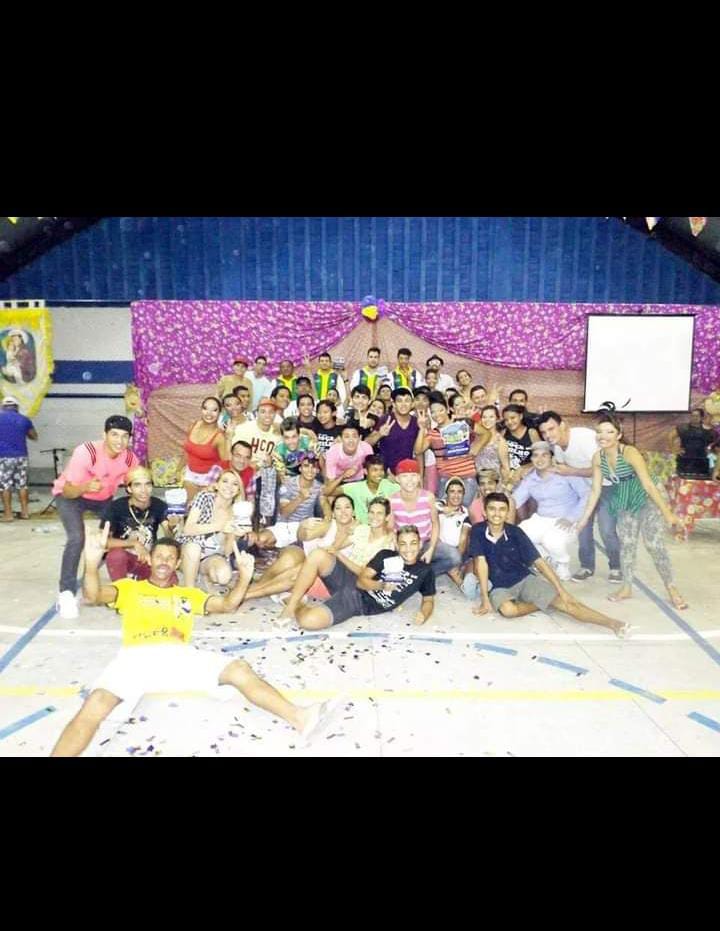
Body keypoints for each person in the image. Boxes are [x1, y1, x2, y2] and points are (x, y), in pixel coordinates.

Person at [49, 529, 337, 756]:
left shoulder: (189, 595)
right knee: (96, 703)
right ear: (150, 559)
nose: (163, 562)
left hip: (179, 655)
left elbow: (227, 605)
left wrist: (244, 579)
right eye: (158, 556)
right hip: (136, 655)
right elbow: (93, 595)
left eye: (169, 558)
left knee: (239, 669)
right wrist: (90, 563)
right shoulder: (130, 589)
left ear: (177, 563)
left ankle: (300, 717)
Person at [468, 493, 629, 637]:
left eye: (502, 509)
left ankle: (613, 623)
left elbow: (539, 562)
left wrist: (561, 590)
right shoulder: (477, 531)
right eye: (492, 509)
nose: (497, 513)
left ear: (508, 512)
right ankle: (542, 603)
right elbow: (481, 564)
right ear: (485, 512)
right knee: (508, 611)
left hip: (524, 579)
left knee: (568, 603)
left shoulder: (516, 533)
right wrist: (485, 599)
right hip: (499, 586)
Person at [576, 412, 687, 611]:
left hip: (648, 497)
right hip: (626, 498)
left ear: (619, 435)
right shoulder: (598, 458)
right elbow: (595, 490)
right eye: (600, 432)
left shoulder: (629, 452)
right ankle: (626, 587)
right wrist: (583, 520)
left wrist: (668, 513)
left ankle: (672, 588)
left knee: (654, 545)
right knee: (627, 544)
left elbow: (648, 485)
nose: (603, 436)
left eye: (609, 432)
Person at [51, 415, 139, 620]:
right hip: (72, 495)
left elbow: (137, 483)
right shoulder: (86, 452)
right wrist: (85, 487)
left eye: (125, 436)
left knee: (112, 537)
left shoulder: (130, 459)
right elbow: (68, 491)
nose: (119, 441)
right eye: (114, 435)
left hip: (103, 500)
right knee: (77, 538)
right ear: (104, 435)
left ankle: (90, 575)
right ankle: (66, 593)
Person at [279, 524, 436, 630]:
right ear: (397, 545)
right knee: (318, 555)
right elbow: (361, 581)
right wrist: (382, 586)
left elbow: (428, 599)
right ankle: (291, 606)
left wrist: (424, 614)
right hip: (352, 582)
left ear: (420, 544)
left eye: (413, 543)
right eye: (403, 544)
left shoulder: (425, 570)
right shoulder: (386, 555)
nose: (408, 549)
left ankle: (299, 604)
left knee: (308, 621)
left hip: (359, 602)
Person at [274, 496, 397, 625]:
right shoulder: (362, 529)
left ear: (387, 517)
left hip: (359, 586)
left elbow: (365, 574)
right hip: (344, 574)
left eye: (379, 513)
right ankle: (290, 607)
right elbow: (335, 548)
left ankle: (294, 602)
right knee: (317, 555)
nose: (374, 516)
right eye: (371, 512)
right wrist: (341, 535)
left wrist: (338, 555)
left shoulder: (388, 543)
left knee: (308, 618)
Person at [537, 411, 621, 583]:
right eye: (544, 432)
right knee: (582, 530)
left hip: (609, 486)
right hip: (586, 490)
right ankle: (587, 566)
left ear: (562, 425)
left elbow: (602, 468)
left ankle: (616, 567)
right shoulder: (557, 448)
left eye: (551, 429)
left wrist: (571, 471)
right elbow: (565, 473)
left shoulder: (584, 439)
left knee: (606, 529)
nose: (548, 435)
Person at [508, 442, 590, 581]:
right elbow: (515, 500)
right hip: (542, 518)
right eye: (535, 456)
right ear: (531, 459)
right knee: (518, 535)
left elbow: (586, 495)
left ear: (551, 457)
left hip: (566, 519)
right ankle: (546, 559)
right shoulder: (530, 478)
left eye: (544, 455)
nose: (539, 459)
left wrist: (571, 517)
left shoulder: (565, 473)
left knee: (551, 540)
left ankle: (562, 564)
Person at [100, 466, 177, 582]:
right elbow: (104, 541)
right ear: (129, 488)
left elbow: (169, 537)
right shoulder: (116, 507)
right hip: (125, 557)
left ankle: (143, 582)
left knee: (172, 580)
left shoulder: (159, 505)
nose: (144, 490)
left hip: (148, 558)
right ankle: (121, 589)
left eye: (148, 484)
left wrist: (171, 526)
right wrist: (134, 543)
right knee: (116, 555)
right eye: (137, 485)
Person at [388, 459, 461, 580]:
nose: (410, 480)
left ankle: (418, 576)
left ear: (419, 477)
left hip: (424, 543)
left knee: (454, 556)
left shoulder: (428, 497)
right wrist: (399, 548)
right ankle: (415, 573)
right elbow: (390, 529)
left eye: (413, 476)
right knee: (388, 565)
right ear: (397, 479)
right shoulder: (392, 500)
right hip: (403, 545)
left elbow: (435, 523)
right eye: (405, 476)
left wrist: (431, 549)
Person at [177, 470, 248, 588]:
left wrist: (234, 535)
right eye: (225, 481)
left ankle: (201, 575)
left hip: (211, 556)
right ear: (217, 485)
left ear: (238, 490)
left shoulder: (237, 512)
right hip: (188, 549)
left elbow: (227, 551)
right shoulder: (204, 497)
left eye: (235, 484)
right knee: (194, 548)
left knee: (223, 576)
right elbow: (188, 529)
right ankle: (189, 589)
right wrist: (221, 526)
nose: (229, 486)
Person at [256, 452, 326, 549]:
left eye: (313, 467)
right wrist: (300, 498)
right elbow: (284, 512)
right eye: (306, 466)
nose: (310, 470)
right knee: (261, 539)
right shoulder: (288, 483)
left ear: (317, 470)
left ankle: (292, 548)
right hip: (284, 526)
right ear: (300, 468)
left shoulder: (319, 487)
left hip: (305, 527)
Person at [420, 397, 482, 506]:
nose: (437, 414)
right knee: (442, 509)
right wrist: (421, 428)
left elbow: (486, 434)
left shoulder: (463, 423)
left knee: (465, 510)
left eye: (440, 410)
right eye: (433, 412)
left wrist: (477, 447)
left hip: (467, 476)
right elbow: (418, 450)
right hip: (445, 478)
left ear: (448, 409)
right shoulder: (433, 433)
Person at [368, 387, 424, 477]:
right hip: (386, 474)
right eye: (399, 401)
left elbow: (419, 453)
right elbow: (367, 443)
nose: (403, 404)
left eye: (407, 401)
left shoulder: (417, 422)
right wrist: (379, 434)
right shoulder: (385, 419)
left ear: (412, 404)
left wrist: (420, 476)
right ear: (393, 404)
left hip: (408, 475)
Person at [0, 395, 37, 522]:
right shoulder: (24, 419)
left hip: (4, 457)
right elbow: (34, 436)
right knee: (22, 485)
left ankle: (8, 514)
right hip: (22, 456)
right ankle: (25, 513)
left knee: (5, 486)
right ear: (16, 407)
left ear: (3, 407)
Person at [182, 397, 225, 504]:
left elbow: (226, 464)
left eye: (214, 410)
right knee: (189, 508)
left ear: (220, 413)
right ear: (201, 410)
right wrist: (177, 471)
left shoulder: (219, 437)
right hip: (190, 476)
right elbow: (186, 451)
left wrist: (217, 484)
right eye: (206, 409)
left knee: (204, 510)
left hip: (209, 480)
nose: (209, 413)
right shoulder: (193, 425)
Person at [342, 454, 400, 523]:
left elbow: (409, 490)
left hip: (383, 527)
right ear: (365, 471)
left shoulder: (388, 484)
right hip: (363, 527)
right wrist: (342, 477)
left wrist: (397, 480)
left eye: (381, 470)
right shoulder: (355, 488)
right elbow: (330, 491)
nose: (379, 473)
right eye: (375, 470)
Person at [436, 477, 472, 588]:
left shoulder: (465, 512)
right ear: (446, 493)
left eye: (459, 492)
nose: (456, 495)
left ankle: (460, 574)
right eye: (452, 491)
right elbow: (432, 504)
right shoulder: (439, 506)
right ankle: (460, 581)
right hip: (439, 548)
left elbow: (463, 538)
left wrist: (457, 560)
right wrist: (445, 509)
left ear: (463, 494)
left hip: (457, 550)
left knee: (466, 562)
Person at [231, 397, 281, 465]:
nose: (267, 415)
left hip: (266, 469)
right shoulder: (244, 429)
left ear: (275, 414)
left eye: (271, 412)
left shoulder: (278, 433)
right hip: (244, 466)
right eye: (263, 412)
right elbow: (234, 455)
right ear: (257, 413)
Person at [669, 408, 716, 477]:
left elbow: (714, 442)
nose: (694, 418)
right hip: (685, 460)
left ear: (701, 417)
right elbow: (670, 436)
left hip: (701, 461)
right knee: (683, 480)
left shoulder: (708, 430)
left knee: (701, 481)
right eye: (692, 416)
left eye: (696, 416)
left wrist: (710, 451)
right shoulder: (683, 428)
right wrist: (674, 450)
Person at [324, 423, 374, 487]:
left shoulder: (366, 448)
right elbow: (330, 481)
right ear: (340, 439)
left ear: (360, 438)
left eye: (354, 436)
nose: (351, 440)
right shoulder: (333, 452)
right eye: (347, 437)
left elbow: (372, 471)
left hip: (360, 479)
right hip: (338, 480)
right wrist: (343, 476)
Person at [473, 405, 511, 487]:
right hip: (477, 482)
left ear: (497, 419)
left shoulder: (500, 441)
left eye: (491, 417)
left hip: (493, 483)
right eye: (484, 417)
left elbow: (505, 467)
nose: (487, 420)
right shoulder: (476, 438)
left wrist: (505, 486)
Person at [502, 404, 540, 483]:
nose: (509, 422)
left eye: (513, 418)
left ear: (520, 416)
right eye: (506, 420)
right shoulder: (504, 434)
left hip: (529, 474)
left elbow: (541, 456)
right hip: (510, 476)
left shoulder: (531, 432)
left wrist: (524, 468)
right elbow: (503, 458)